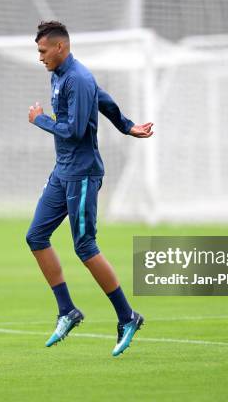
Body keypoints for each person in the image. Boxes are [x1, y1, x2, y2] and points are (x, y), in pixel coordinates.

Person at [25, 21, 154, 357]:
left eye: (42, 51)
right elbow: (103, 99)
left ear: (60, 48)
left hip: (82, 175)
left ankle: (127, 316)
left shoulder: (77, 78)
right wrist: (127, 126)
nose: (40, 57)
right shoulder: (60, 74)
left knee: (85, 246)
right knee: (36, 237)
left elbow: (74, 130)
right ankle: (67, 309)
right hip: (62, 172)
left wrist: (40, 119)